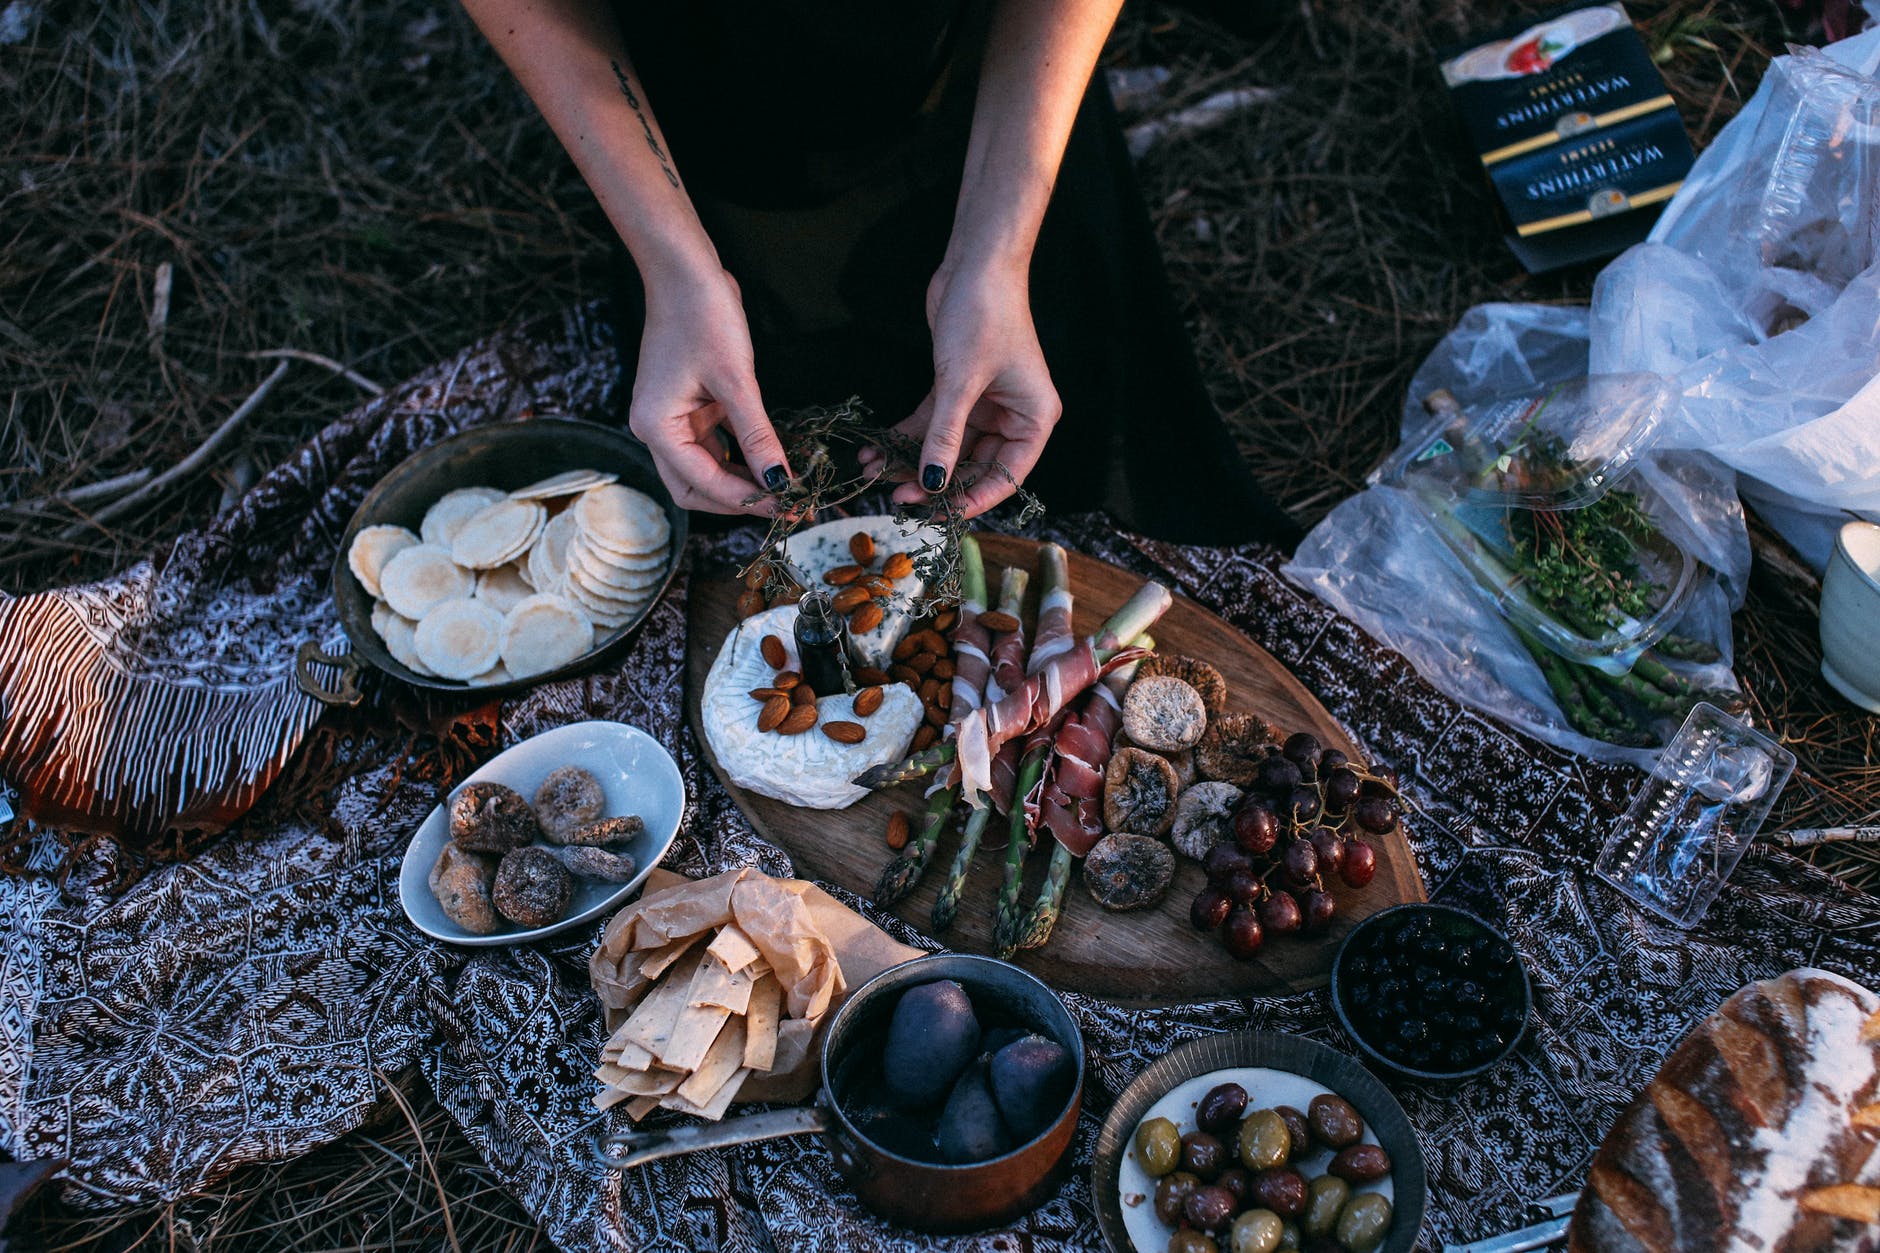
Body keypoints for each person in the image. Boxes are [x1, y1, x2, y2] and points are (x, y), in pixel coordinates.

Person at [459, 0, 1299, 546]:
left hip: (999, 80)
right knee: (745, 478)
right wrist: (676, 268)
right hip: (697, 117)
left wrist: (996, 254)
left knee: (1073, 461)